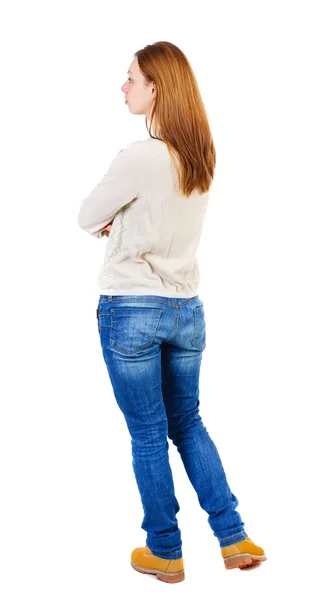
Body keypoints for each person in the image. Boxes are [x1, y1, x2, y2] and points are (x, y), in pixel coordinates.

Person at [78, 41, 266, 584]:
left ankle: (164, 550)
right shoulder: (199, 156)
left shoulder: (140, 156)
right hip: (186, 310)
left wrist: (110, 225)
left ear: (156, 85)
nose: (124, 86)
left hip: (131, 309)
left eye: (131, 77)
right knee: (187, 422)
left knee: (147, 433)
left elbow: (87, 214)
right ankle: (234, 538)